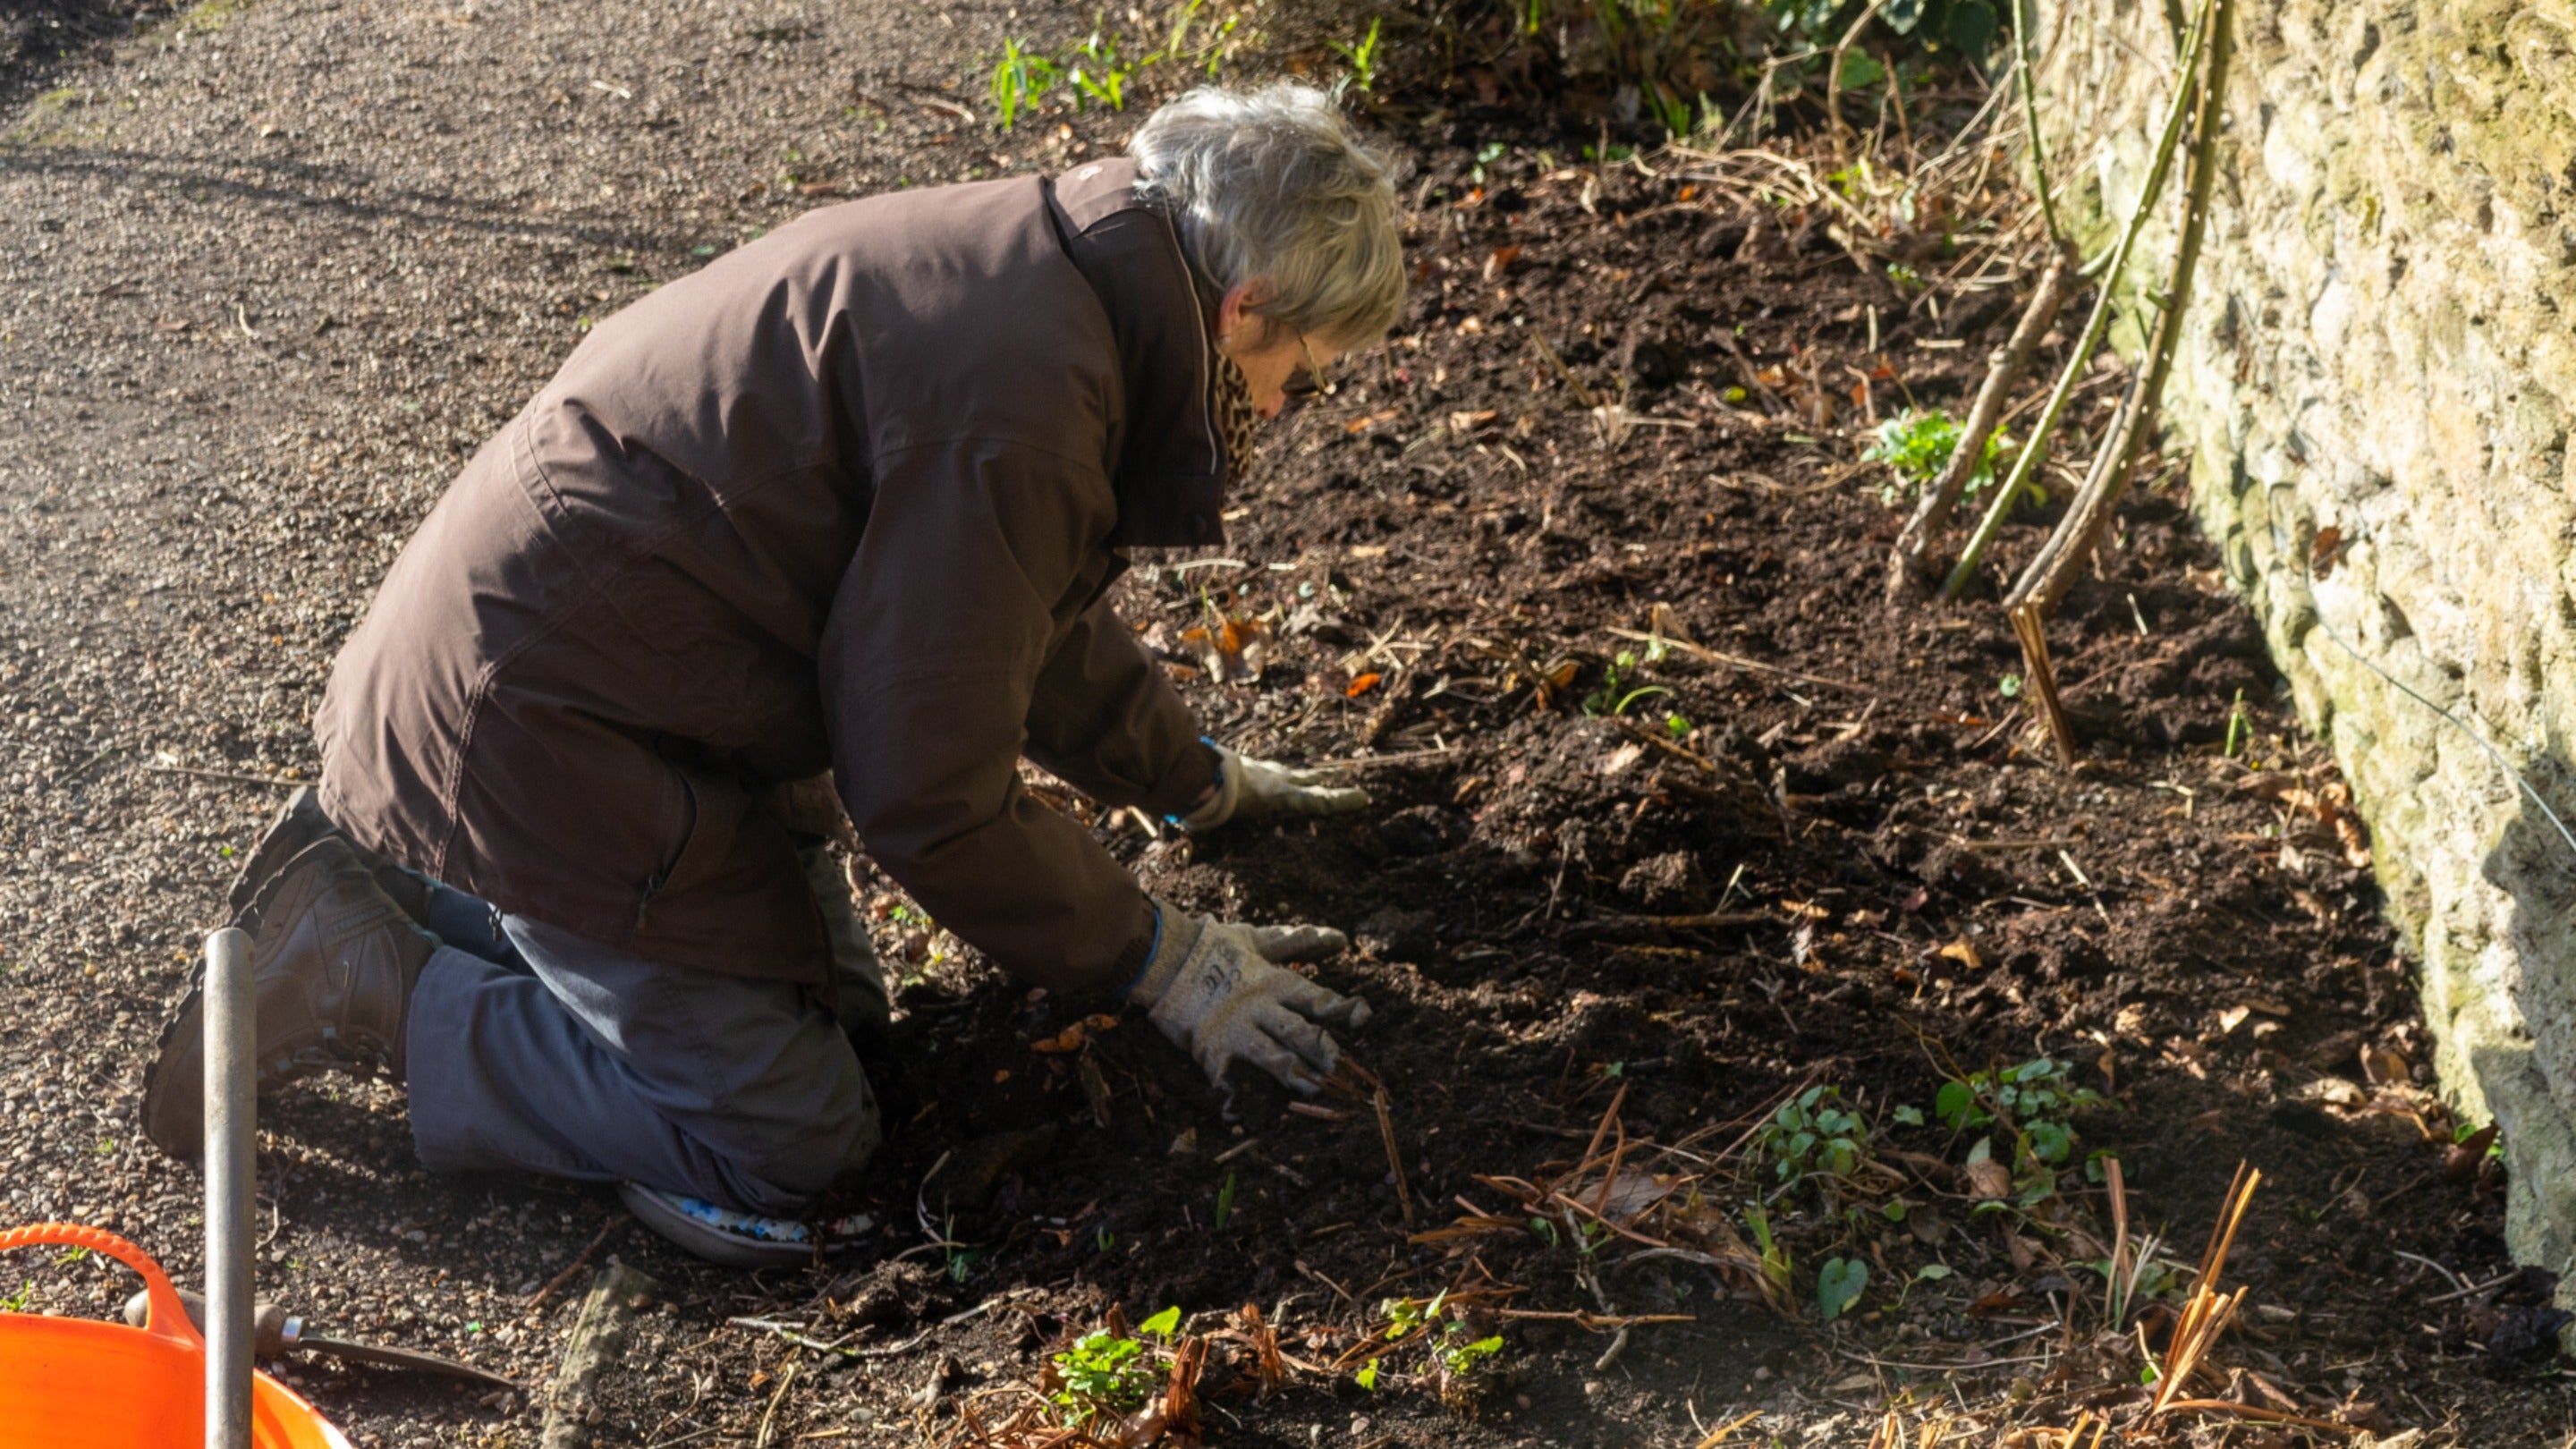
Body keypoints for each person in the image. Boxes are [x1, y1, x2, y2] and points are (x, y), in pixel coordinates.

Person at [140, 82, 1406, 1267]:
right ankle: (369, 983)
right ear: (1242, 306)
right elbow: (929, 794)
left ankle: (430, 892)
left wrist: (1194, 783)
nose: (1288, 408)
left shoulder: (1060, 284)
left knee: (849, 1026)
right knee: (790, 1144)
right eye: (1299, 376)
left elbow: (1016, 618)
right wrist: (1171, 965)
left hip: (637, 712)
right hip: (543, 733)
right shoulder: (1025, 402)